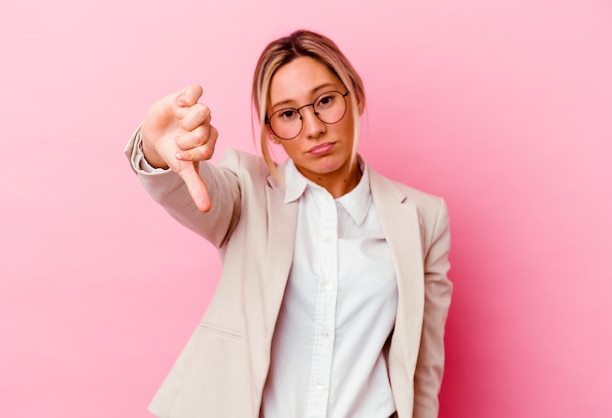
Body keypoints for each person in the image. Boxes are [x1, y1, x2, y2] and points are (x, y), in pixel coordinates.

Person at [125, 29, 452, 418]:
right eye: (288, 114)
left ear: (357, 96)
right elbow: (193, 194)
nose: (313, 127)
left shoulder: (422, 216)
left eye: (326, 101)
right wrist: (155, 151)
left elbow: (423, 365)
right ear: (271, 131)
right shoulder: (246, 191)